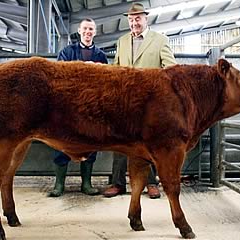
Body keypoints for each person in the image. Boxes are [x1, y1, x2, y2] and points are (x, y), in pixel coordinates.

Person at [103, 2, 177, 199]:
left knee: (148, 142)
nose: (134, 22)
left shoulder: (160, 40)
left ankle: (151, 183)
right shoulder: (122, 41)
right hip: (124, 101)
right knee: (118, 141)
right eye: (131, 19)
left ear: (146, 18)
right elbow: (117, 67)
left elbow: (170, 69)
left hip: (149, 103)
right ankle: (117, 183)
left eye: (138, 18)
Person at [48, 18, 108, 197]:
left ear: (95, 32)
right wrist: (83, 68)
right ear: (79, 31)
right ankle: (59, 184)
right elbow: (58, 76)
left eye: (91, 29)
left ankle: (87, 184)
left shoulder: (101, 56)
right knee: (63, 143)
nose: (88, 32)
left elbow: (106, 81)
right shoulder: (66, 52)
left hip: (92, 110)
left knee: (91, 143)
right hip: (69, 109)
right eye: (85, 29)